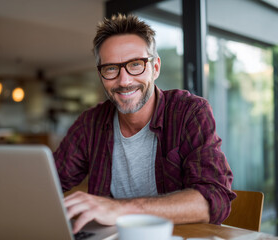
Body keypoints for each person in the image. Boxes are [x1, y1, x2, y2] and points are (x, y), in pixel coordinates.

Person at [54, 14, 235, 234]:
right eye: (111, 68)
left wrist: (119, 209)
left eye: (135, 64)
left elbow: (213, 199)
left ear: (155, 67)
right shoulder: (90, 123)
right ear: (101, 75)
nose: (124, 81)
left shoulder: (189, 112)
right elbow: (49, 184)